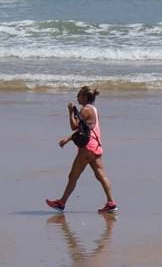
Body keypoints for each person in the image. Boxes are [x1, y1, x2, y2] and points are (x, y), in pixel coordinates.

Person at [47, 86, 118, 214]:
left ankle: (61, 203)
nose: (77, 97)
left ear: (85, 97)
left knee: (73, 175)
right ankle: (111, 202)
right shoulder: (94, 110)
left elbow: (74, 127)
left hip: (87, 149)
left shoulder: (85, 110)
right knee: (101, 176)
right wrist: (68, 140)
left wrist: (70, 111)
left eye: (79, 95)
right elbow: (84, 129)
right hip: (96, 147)